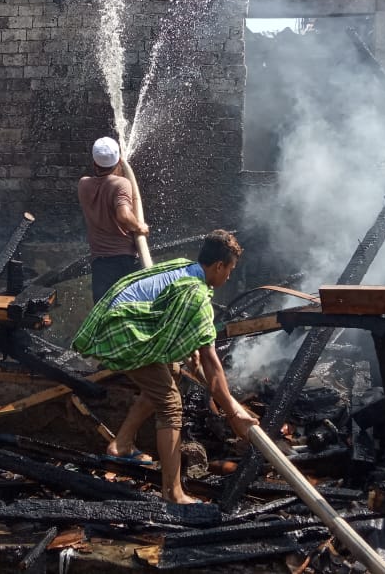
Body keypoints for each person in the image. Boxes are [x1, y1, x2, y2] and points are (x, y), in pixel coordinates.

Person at [72, 229, 259, 504]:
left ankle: (121, 445)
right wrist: (233, 413)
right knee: (170, 404)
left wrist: (190, 347)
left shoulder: (185, 267)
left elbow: (171, 316)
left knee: (169, 375)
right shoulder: (196, 295)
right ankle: (173, 492)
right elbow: (213, 366)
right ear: (219, 266)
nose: (229, 276)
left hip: (119, 320)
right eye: (229, 270)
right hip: (123, 332)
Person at [78, 137, 149, 302]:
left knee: (103, 314)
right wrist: (140, 226)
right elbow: (123, 215)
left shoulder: (83, 184)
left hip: (100, 263)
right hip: (125, 261)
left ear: (94, 163)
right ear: (117, 162)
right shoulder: (121, 184)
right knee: (131, 312)